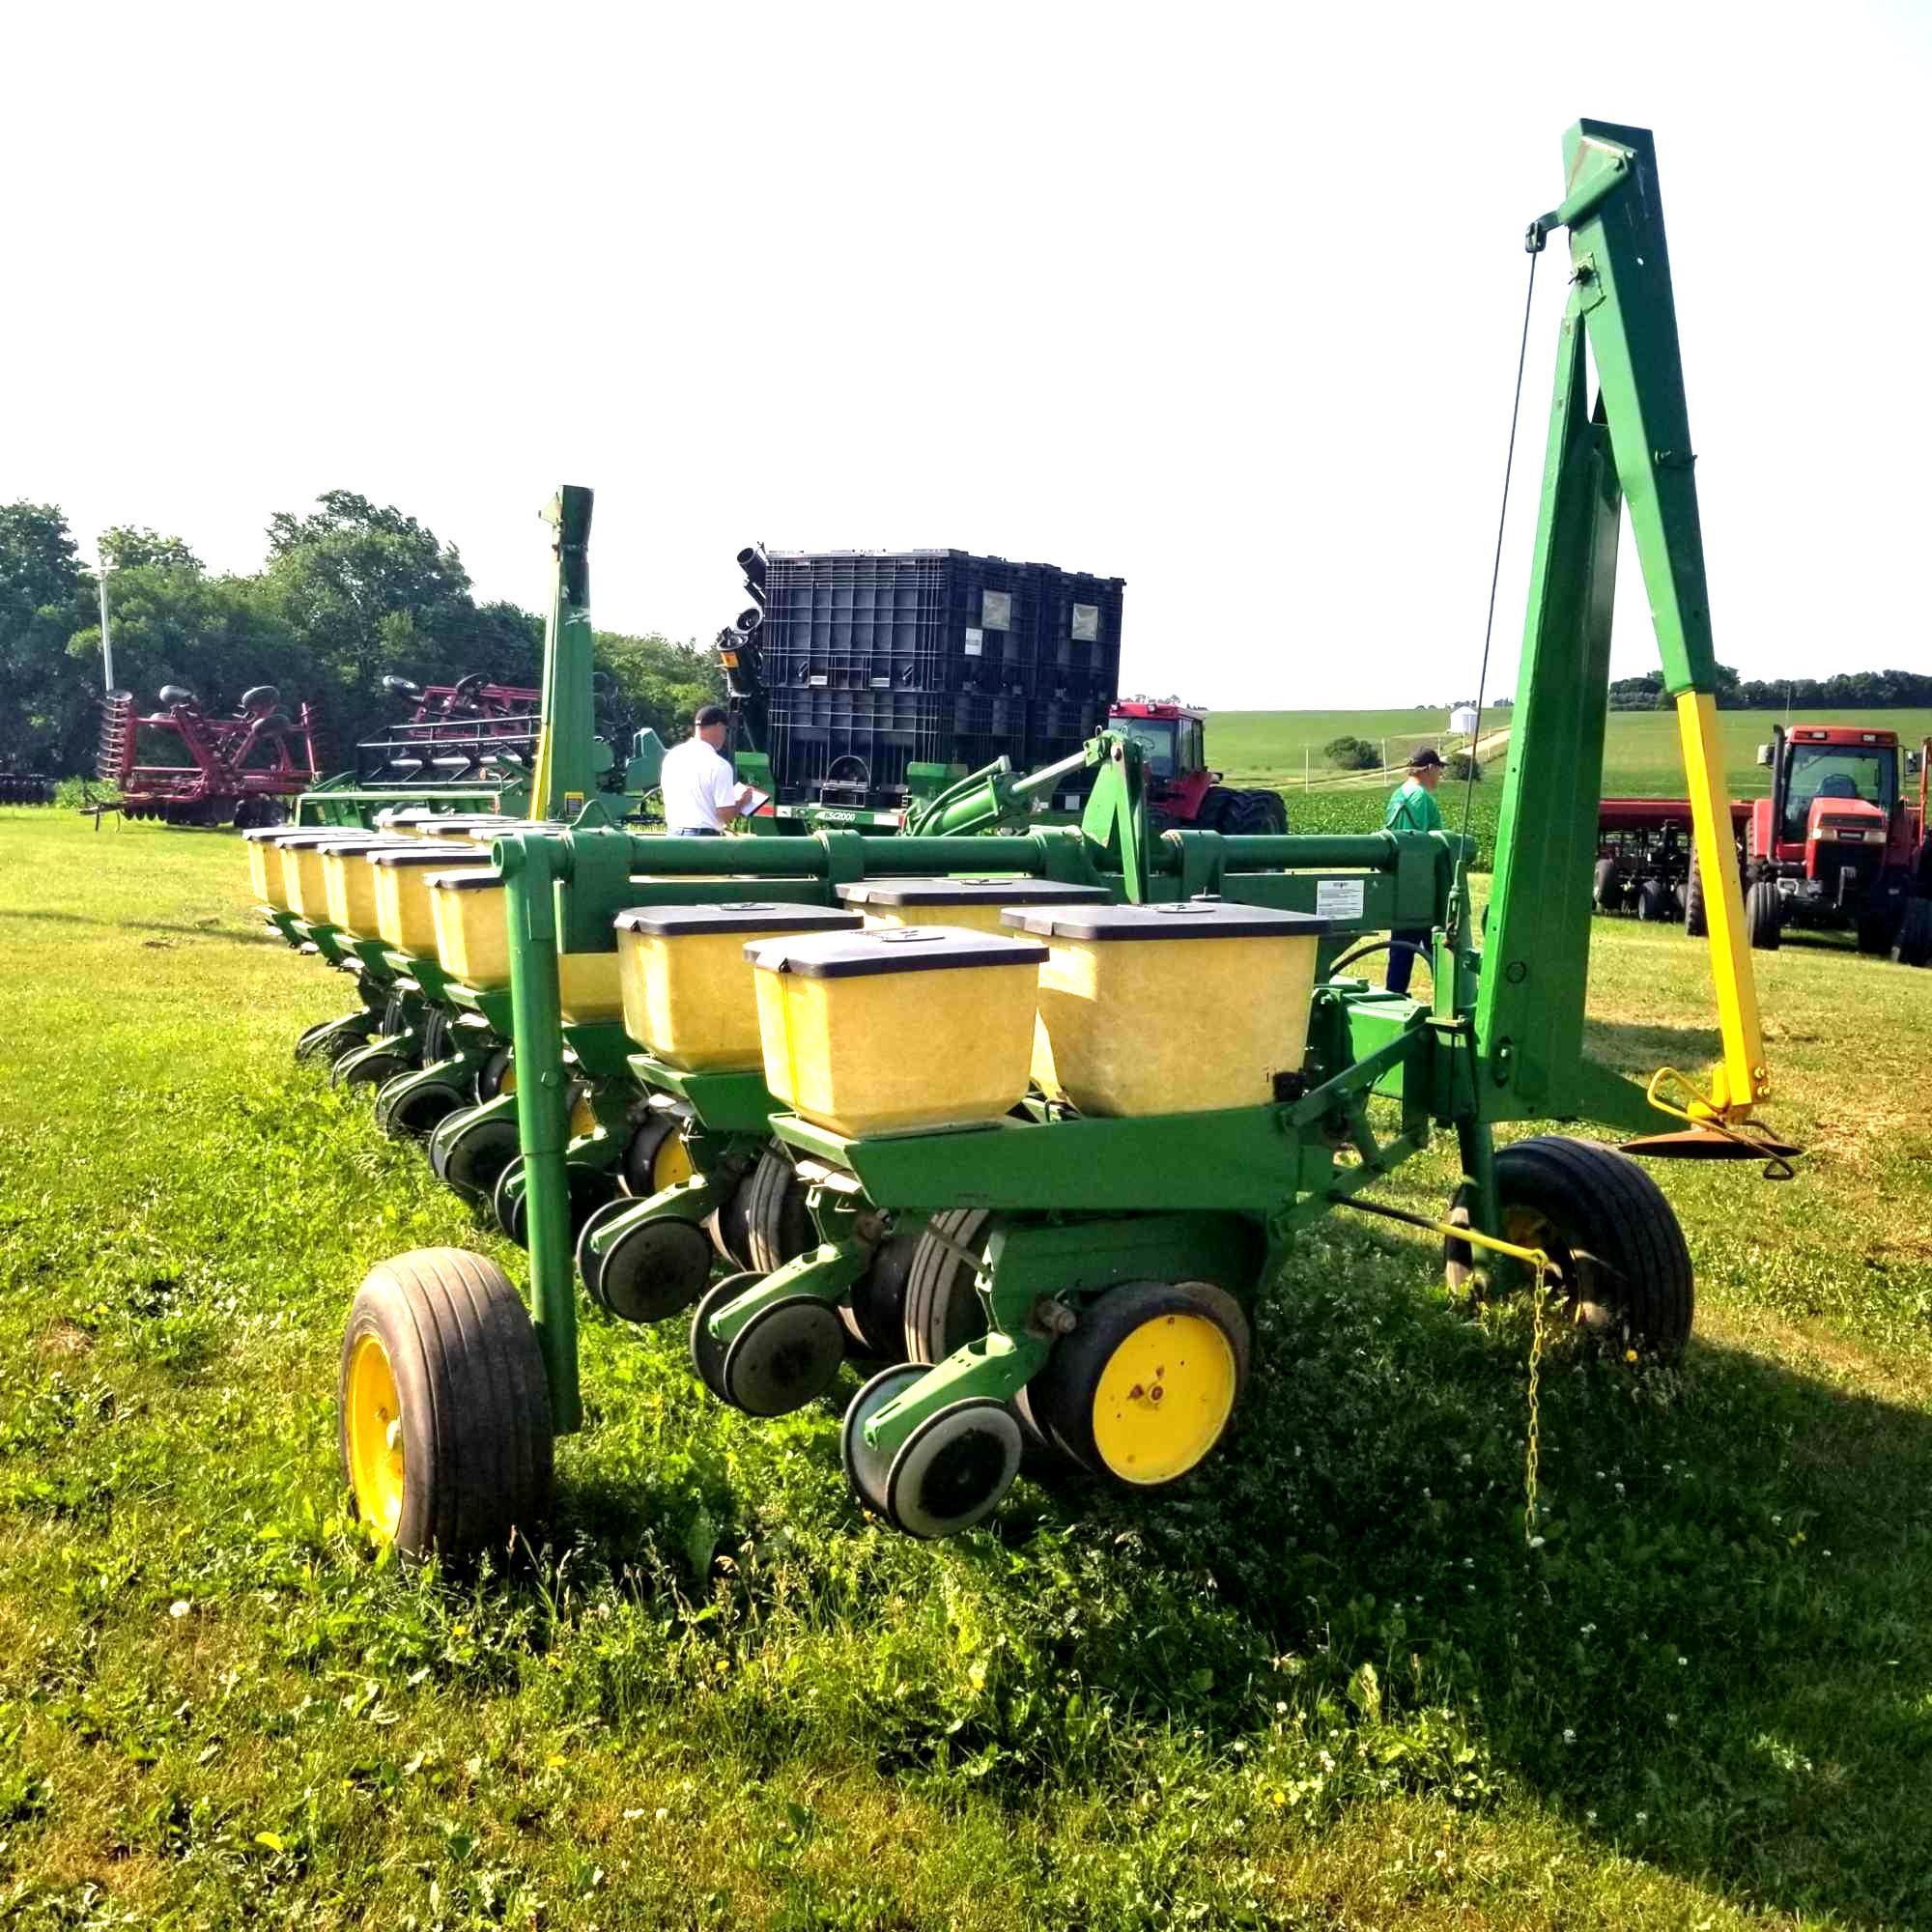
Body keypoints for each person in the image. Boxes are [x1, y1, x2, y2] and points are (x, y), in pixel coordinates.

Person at [1384, 747, 1445, 995]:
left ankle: (1393, 995)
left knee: (1402, 946)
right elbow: (1417, 842)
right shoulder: (1421, 797)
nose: (1440, 775)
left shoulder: (1399, 794)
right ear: (1429, 768)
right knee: (1440, 946)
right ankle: (1450, 1000)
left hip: (1400, 881)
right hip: (1421, 883)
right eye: (1439, 769)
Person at [659, 703, 754, 836]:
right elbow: (726, 815)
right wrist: (743, 801)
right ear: (719, 726)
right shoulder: (720, 765)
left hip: (672, 834)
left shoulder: (672, 756)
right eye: (725, 730)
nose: (725, 736)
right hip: (703, 840)